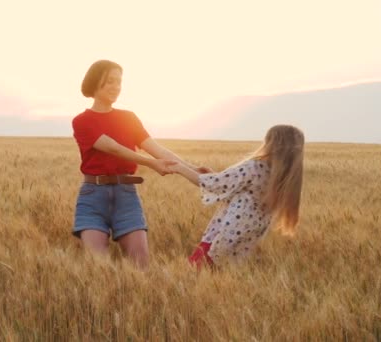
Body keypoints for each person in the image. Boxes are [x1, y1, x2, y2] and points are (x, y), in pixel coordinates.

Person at [72, 59, 211, 269]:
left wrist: (191, 168)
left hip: (127, 197)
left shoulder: (128, 118)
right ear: (94, 82)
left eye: (119, 82)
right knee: (97, 268)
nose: (115, 87)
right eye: (109, 81)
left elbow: (157, 149)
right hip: (93, 198)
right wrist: (151, 164)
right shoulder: (82, 121)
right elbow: (112, 147)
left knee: (141, 267)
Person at [170, 125, 305, 268]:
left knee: (196, 272)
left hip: (224, 234)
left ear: (270, 144)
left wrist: (179, 168)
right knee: (222, 277)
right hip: (246, 240)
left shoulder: (254, 167)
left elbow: (213, 184)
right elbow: (242, 188)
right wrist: (215, 175)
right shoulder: (283, 178)